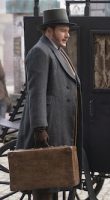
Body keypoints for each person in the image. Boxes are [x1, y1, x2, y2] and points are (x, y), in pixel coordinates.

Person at [16, 9, 80, 200]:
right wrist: (40, 128)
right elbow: (36, 93)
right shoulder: (40, 51)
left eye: (68, 30)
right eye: (63, 30)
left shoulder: (55, 50)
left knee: (52, 181)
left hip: (58, 124)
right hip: (48, 128)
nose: (67, 35)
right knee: (44, 182)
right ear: (49, 30)